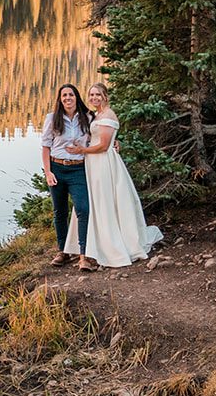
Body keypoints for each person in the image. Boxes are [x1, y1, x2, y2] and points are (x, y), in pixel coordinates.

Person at [63, 82, 162, 267]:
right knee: (94, 200)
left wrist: (81, 151)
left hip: (103, 163)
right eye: (91, 95)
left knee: (104, 201)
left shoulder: (108, 114)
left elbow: (103, 145)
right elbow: (102, 138)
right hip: (93, 163)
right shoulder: (96, 114)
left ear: (104, 96)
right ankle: (92, 245)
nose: (94, 98)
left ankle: (109, 246)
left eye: (97, 95)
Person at [41, 84, 94, 270]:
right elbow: (46, 147)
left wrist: (115, 142)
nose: (67, 98)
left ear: (76, 97)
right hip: (57, 168)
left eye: (70, 95)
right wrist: (48, 172)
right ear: (60, 99)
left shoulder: (87, 117)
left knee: (83, 209)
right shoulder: (52, 118)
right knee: (60, 212)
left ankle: (83, 255)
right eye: (64, 95)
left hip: (78, 169)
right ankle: (62, 251)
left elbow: (99, 136)